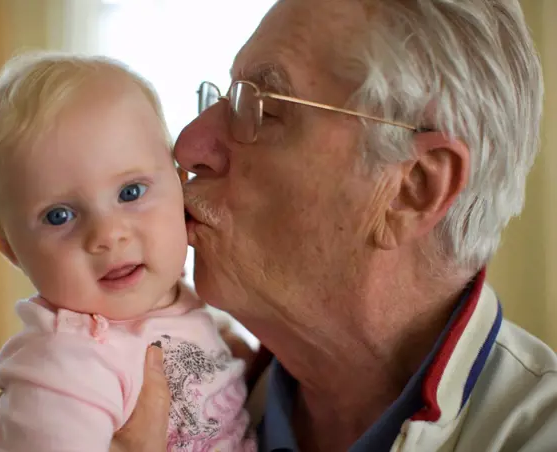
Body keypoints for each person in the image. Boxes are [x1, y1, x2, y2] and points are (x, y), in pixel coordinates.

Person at [111, 0, 557, 450]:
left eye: (261, 108)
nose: (187, 145)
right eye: (227, 97)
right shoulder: (136, 393)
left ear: (412, 187)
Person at [0, 51, 256, 451]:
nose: (108, 234)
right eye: (59, 215)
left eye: (130, 192)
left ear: (179, 182)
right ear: (10, 249)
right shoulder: (65, 369)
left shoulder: (179, 306)